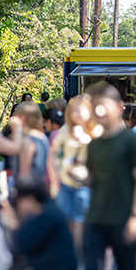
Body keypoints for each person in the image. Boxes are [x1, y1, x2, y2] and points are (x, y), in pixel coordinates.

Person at [73, 82, 136, 270]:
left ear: (118, 108)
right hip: (95, 219)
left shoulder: (130, 141)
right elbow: (93, 179)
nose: (98, 111)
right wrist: (78, 176)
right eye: (94, 107)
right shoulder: (94, 144)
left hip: (123, 219)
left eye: (103, 106)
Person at [4, 176, 77, 270]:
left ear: (30, 199)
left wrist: (13, 222)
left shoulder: (49, 217)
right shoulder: (49, 211)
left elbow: (20, 246)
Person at [47, 95, 94, 250]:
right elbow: (52, 153)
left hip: (86, 183)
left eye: (81, 111)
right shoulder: (66, 129)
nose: (77, 114)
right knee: (67, 220)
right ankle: (71, 252)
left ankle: (84, 251)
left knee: (84, 221)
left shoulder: (95, 130)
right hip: (65, 182)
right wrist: (54, 181)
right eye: (74, 111)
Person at [13, 102, 49, 181]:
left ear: (22, 118)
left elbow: (24, 174)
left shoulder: (27, 141)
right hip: (41, 185)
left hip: (29, 189)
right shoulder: (43, 137)